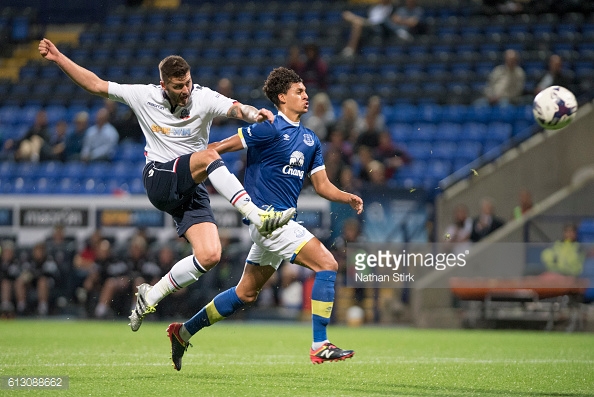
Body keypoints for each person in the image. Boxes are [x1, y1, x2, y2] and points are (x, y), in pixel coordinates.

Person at [39, 38, 295, 329]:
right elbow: (96, 85)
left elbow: (237, 109)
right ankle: (257, 216)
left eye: (187, 83)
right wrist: (59, 58)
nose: (185, 91)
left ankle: (151, 295)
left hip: (191, 184)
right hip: (159, 177)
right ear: (163, 85)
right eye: (177, 86)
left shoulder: (202, 97)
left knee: (210, 255)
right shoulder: (143, 96)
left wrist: (254, 113)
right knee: (209, 154)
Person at [163, 67, 364, 370]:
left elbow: (321, 186)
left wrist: (345, 196)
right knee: (328, 264)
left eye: (306, 91)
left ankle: (183, 331)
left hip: (277, 225)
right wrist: (187, 171)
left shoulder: (311, 140)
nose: (306, 95)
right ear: (282, 97)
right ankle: (319, 344)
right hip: (268, 220)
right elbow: (216, 149)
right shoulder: (268, 128)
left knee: (245, 293)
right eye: (299, 91)